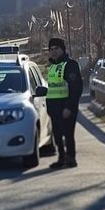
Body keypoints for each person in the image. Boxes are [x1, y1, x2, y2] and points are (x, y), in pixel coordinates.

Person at [46, 37, 84, 168]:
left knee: (68, 134)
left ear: (63, 49)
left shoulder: (70, 65)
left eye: (56, 48)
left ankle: (71, 158)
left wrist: (69, 107)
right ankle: (61, 158)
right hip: (54, 108)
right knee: (57, 135)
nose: (53, 51)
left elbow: (76, 88)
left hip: (66, 107)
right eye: (51, 49)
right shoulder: (52, 67)